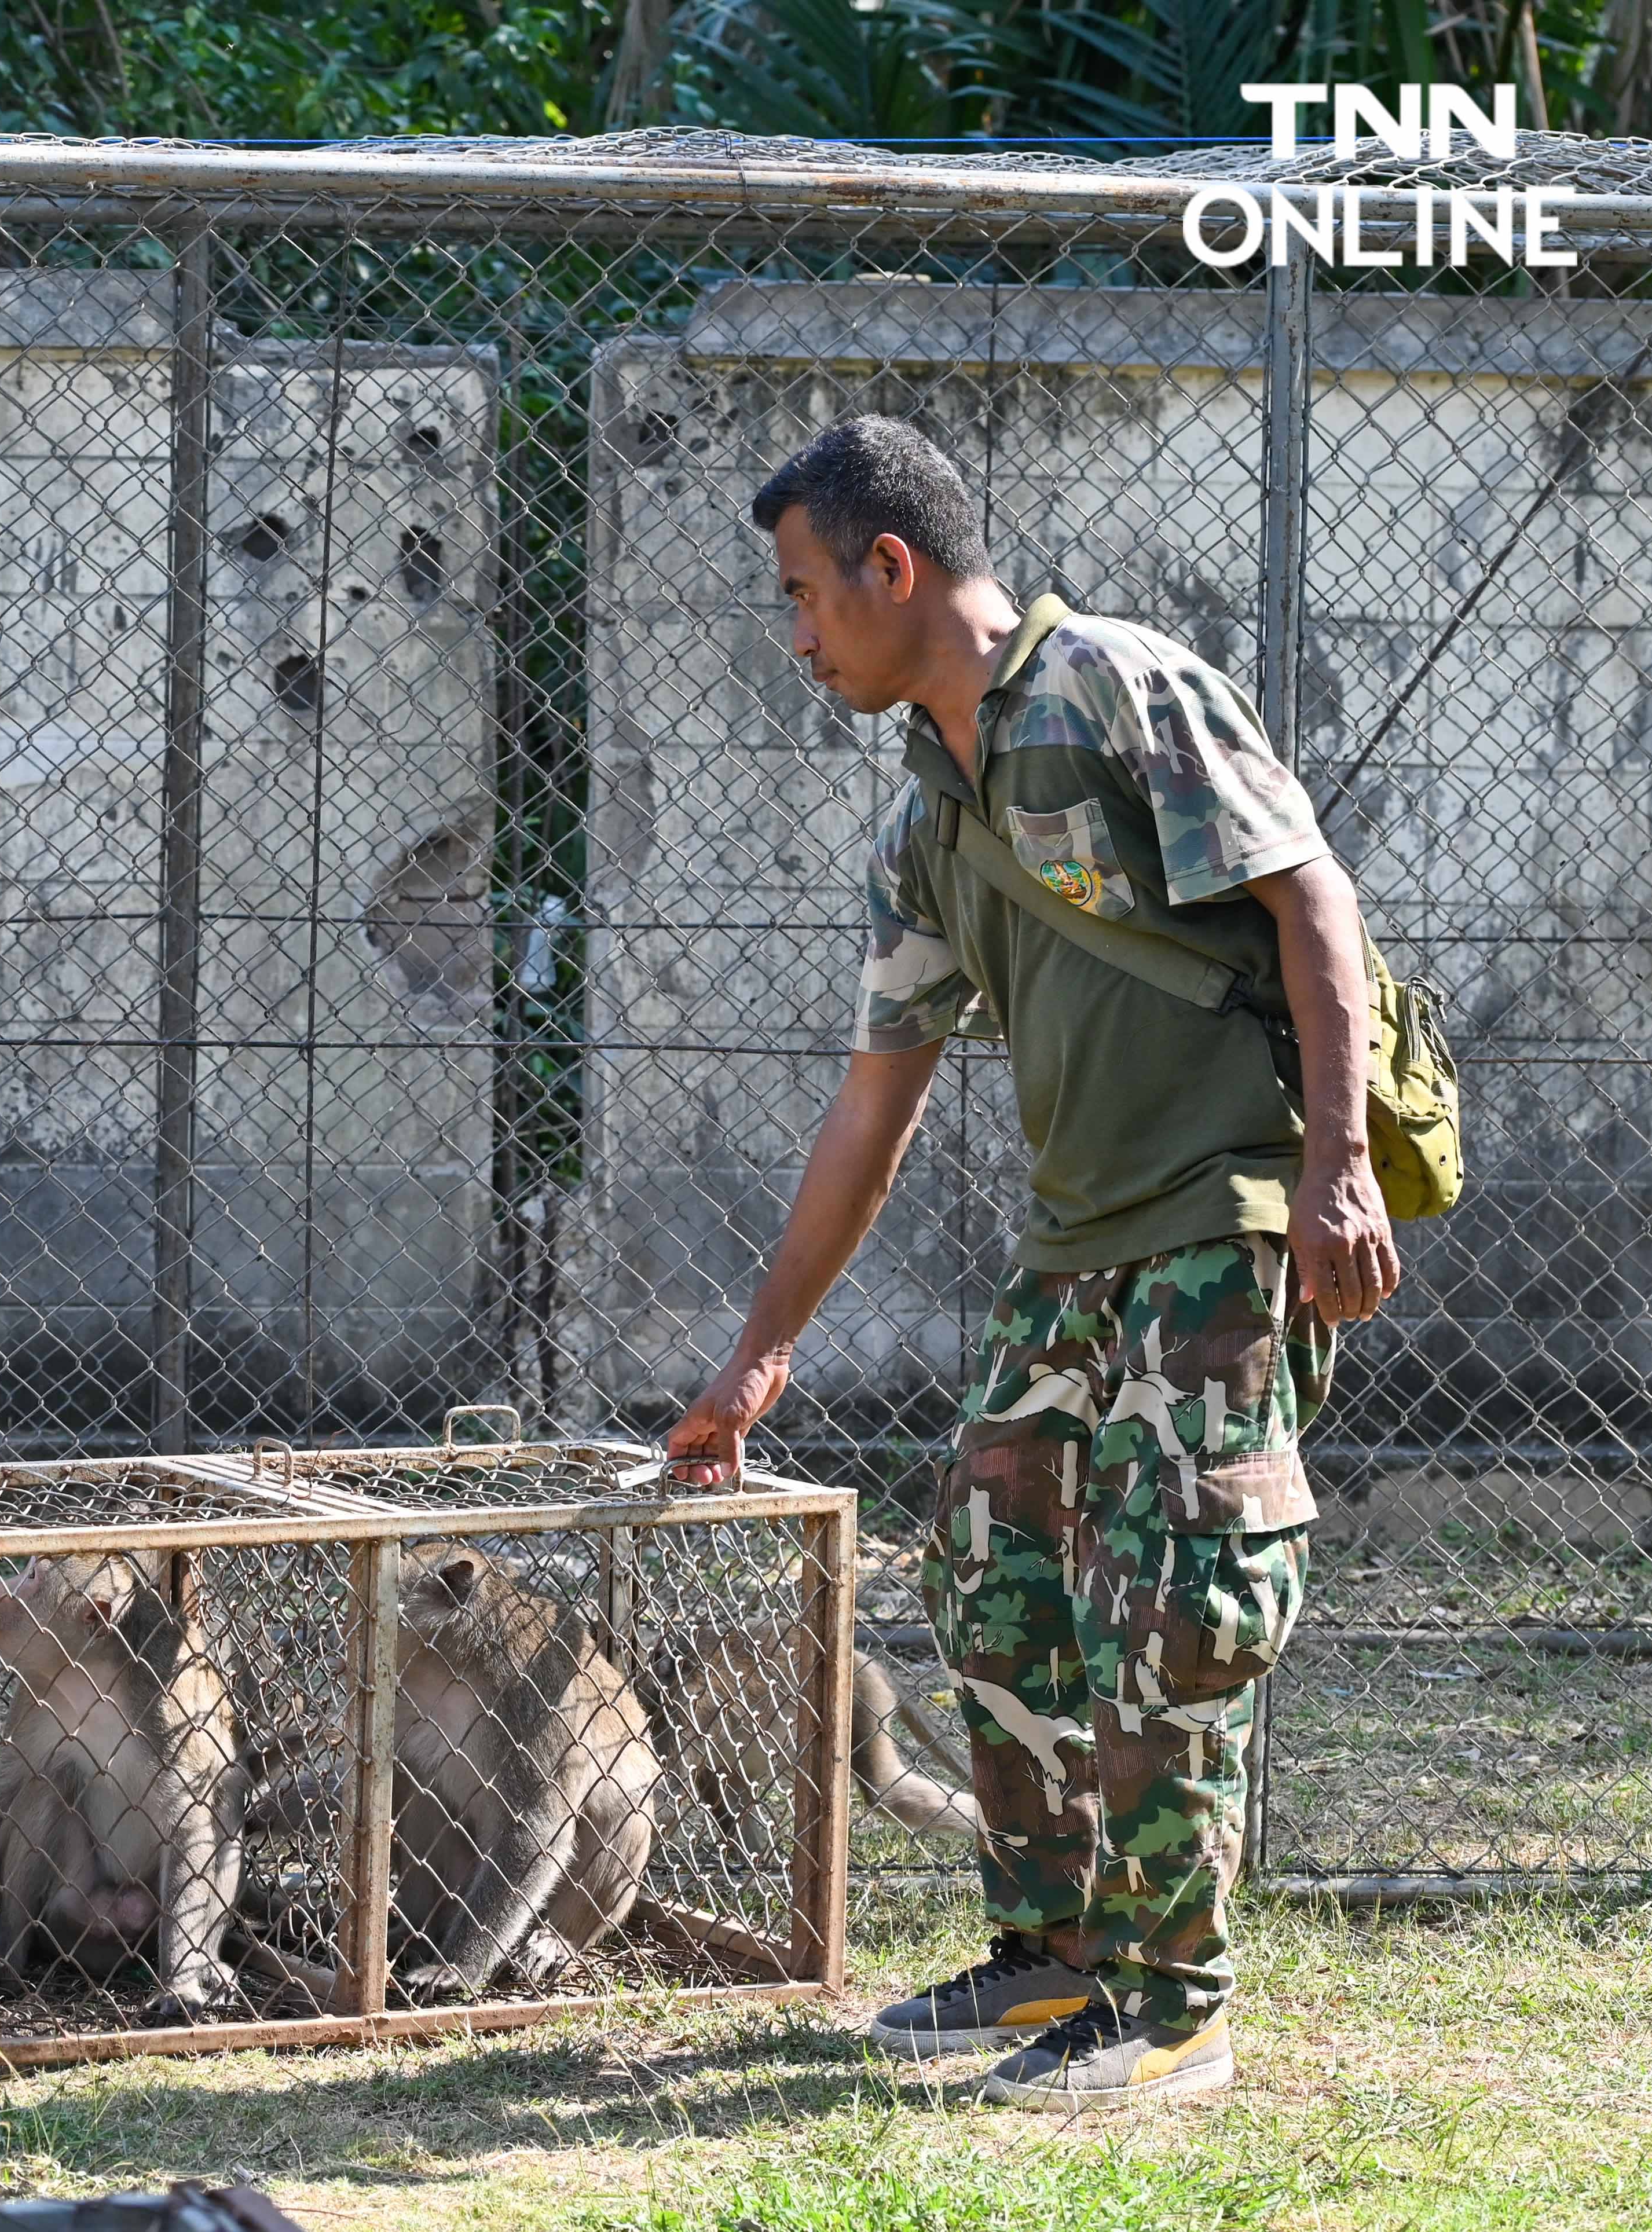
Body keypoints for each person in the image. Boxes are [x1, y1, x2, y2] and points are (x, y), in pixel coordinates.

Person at [663, 417, 1398, 2109]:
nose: (793, 636)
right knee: (995, 1589)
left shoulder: (1118, 688)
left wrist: (1339, 1169)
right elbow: (875, 1102)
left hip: (1219, 1225)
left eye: (801, 595)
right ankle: (1056, 1956)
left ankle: (1173, 2012)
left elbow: (1314, 905)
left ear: (890, 569)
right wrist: (762, 1349)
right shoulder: (933, 803)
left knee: (1174, 1611)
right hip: (1077, 1257)